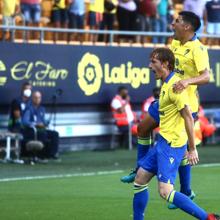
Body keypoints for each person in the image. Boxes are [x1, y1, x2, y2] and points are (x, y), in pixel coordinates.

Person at [122, 11, 211, 210]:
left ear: (187, 26)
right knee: (142, 128)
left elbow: (206, 77)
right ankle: (139, 166)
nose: (172, 24)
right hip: (166, 96)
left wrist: (187, 81)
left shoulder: (198, 49)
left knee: (178, 144)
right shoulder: (175, 42)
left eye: (177, 21)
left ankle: (186, 190)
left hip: (184, 102)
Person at [132, 47, 219, 220]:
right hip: (163, 141)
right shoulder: (167, 84)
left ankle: (208, 218)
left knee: (165, 191)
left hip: (172, 144)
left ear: (165, 64)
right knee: (140, 179)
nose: (150, 66)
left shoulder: (175, 87)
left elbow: (188, 117)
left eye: (153, 62)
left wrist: (192, 148)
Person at [22, 91, 59, 159]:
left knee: (55, 134)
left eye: (39, 98)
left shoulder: (42, 109)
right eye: (35, 98)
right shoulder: (28, 108)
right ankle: (43, 154)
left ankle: (52, 154)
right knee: (43, 134)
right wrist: (36, 124)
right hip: (31, 130)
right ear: (32, 98)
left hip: (41, 129)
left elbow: (43, 120)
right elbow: (25, 121)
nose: (37, 99)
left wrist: (46, 123)